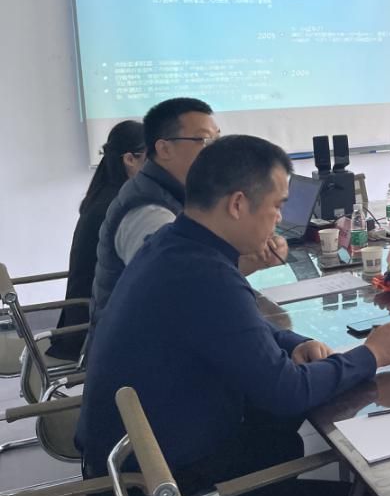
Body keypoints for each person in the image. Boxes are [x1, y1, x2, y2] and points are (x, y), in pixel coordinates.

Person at [77, 135, 390, 496]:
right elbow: (287, 391)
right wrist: (371, 355)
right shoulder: (204, 273)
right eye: (276, 207)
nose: (278, 221)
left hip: (136, 488)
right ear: (238, 204)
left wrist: (297, 343)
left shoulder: (174, 246)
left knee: (280, 435)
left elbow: (240, 328)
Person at [89, 96, 286, 328]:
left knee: (276, 323)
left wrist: (253, 258)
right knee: (274, 324)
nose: (216, 150)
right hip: (142, 342)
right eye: (204, 140)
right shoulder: (148, 212)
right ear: (164, 149)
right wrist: (249, 260)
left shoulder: (177, 191)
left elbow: (196, 271)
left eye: (217, 138)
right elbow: (180, 289)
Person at [46, 120, 145, 361]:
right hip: (92, 331)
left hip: (86, 318)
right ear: (129, 159)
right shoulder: (118, 206)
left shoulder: (107, 195)